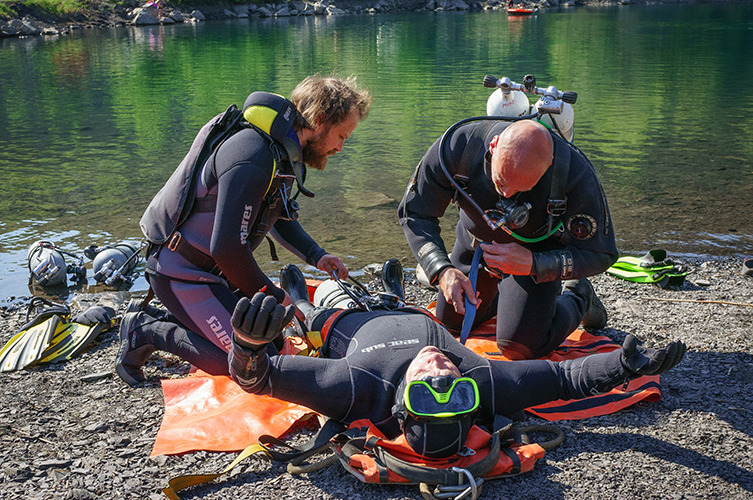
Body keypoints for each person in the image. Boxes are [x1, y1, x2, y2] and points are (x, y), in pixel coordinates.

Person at [227, 265, 685, 459]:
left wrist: (247, 345)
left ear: (399, 408)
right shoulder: (485, 380)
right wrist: (623, 368)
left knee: (309, 306)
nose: (440, 370)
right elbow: (565, 376)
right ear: (471, 401)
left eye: (426, 389)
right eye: (455, 387)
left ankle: (299, 299)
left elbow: (257, 379)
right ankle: (580, 298)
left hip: (340, 326)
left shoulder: (352, 388)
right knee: (405, 303)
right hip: (411, 313)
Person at [116, 76, 372, 386]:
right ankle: (144, 330)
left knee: (274, 346)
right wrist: (277, 297)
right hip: (180, 271)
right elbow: (228, 248)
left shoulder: (282, 154)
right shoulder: (252, 154)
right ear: (320, 121)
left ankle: (174, 319)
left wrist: (317, 256)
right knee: (248, 365)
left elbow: (279, 216)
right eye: (341, 136)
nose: (341, 148)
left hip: (217, 273)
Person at [398, 119, 618, 360]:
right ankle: (507, 300)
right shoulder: (460, 146)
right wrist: (442, 269)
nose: (506, 195)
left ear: (548, 166)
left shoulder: (574, 173)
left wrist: (535, 263)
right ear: (493, 146)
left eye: (521, 188)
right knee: (452, 325)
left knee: (520, 348)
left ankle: (579, 296)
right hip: (475, 245)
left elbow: (601, 254)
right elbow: (414, 213)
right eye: (500, 182)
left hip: (534, 257)